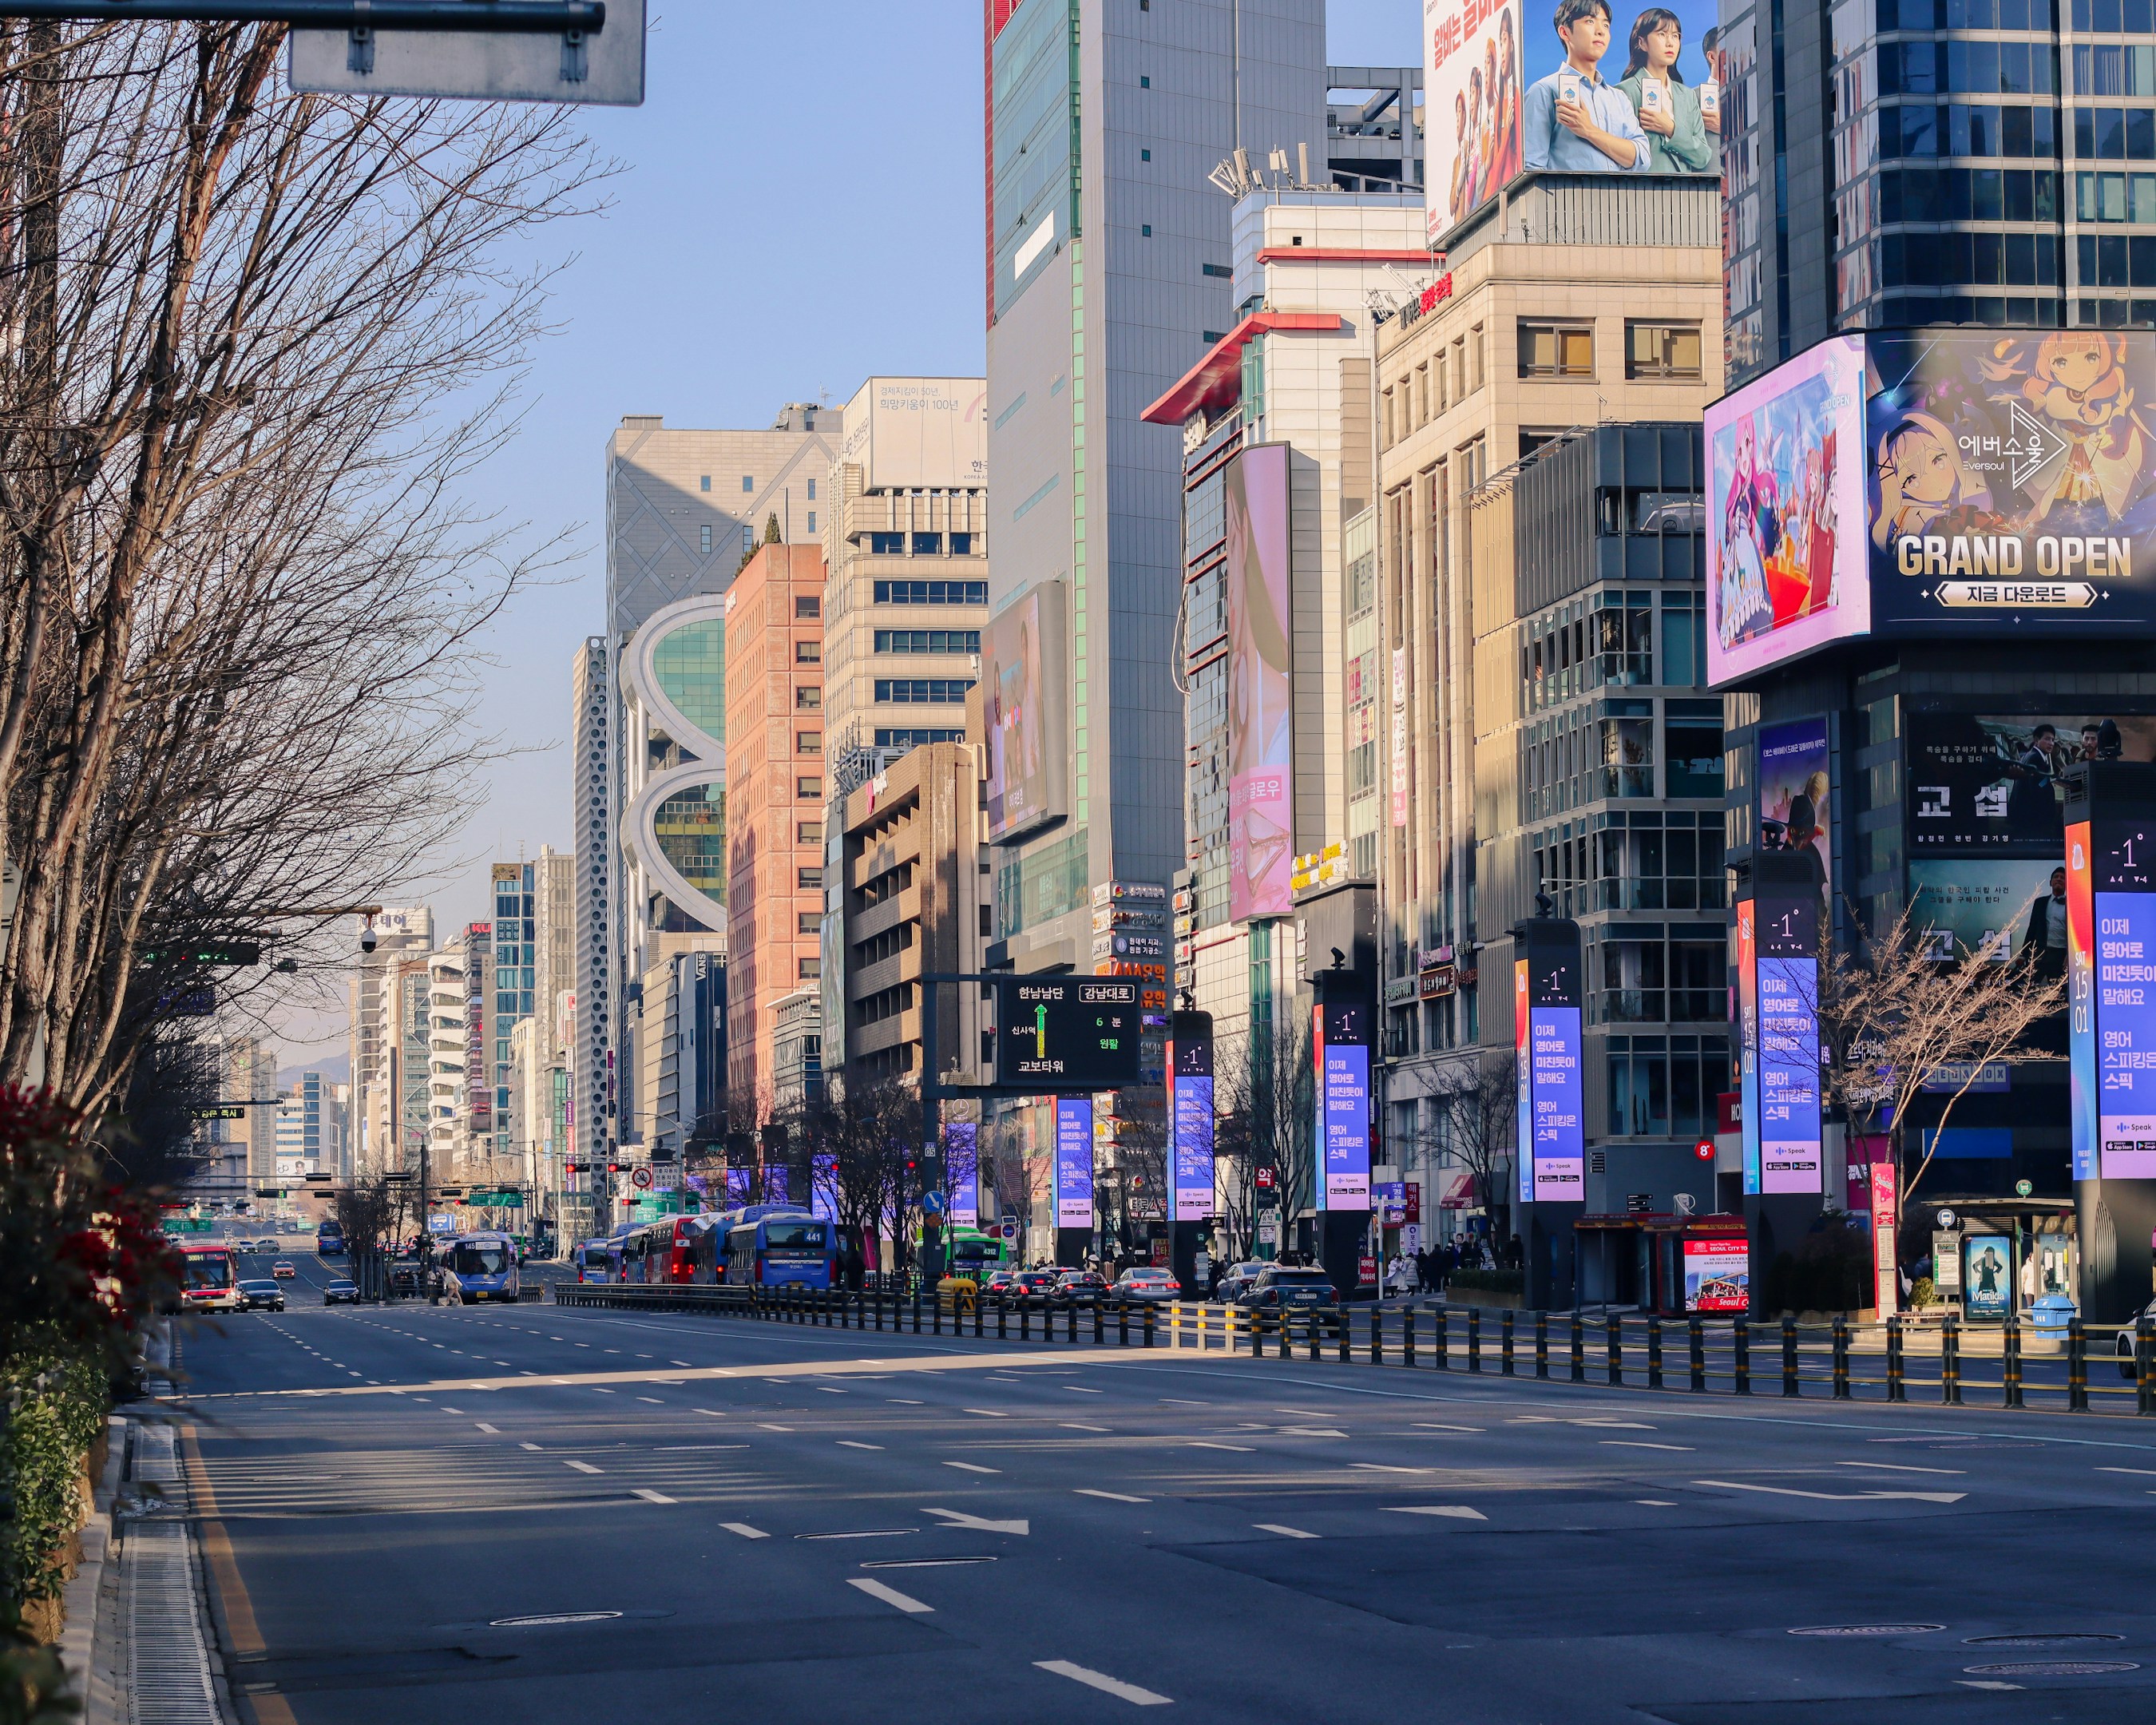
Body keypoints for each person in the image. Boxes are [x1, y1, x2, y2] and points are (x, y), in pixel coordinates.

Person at [1523, 0, 1651, 173]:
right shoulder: (1545, 91)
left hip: (1619, 192)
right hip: (1568, 192)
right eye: (1590, 21)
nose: (1601, 31)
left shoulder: (1619, 98)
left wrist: (1588, 130)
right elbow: (1533, 170)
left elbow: (1642, 159)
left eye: (1605, 25)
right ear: (1565, 32)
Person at [1616, 8, 1718, 173]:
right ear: (1642, 43)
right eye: (1662, 34)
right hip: (1644, 187)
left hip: (1685, 188)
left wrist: (1670, 128)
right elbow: (1621, 154)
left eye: (1675, 36)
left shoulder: (1688, 95)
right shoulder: (1625, 92)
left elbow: (1703, 156)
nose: (1670, 42)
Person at [2023, 865, 2068, 979]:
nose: (2059, 879)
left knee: (2057, 988)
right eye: (2056, 877)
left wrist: (2070, 955)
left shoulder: (2072, 904)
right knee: (2029, 985)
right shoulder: (2040, 903)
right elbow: (2032, 928)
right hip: (2039, 953)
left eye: (2062, 878)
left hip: (2060, 955)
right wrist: (2024, 954)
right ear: (2050, 882)